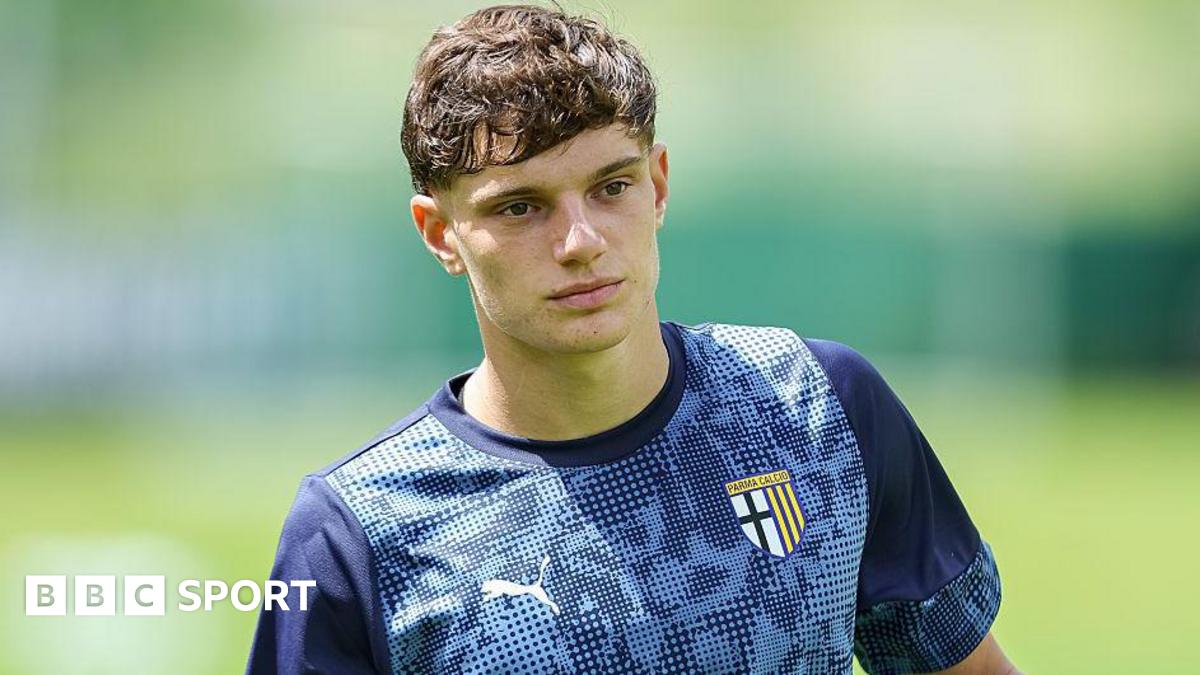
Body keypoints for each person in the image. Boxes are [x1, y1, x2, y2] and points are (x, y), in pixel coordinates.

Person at [246, 5, 1019, 674]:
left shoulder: (819, 406)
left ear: (657, 186)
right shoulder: (358, 532)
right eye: (520, 207)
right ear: (440, 233)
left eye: (611, 187)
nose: (581, 240)